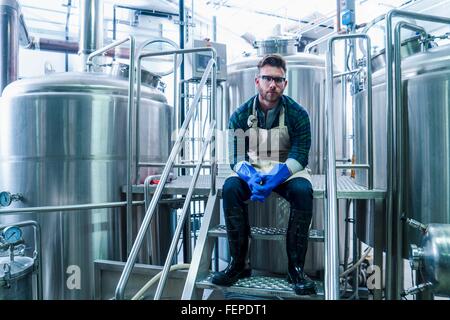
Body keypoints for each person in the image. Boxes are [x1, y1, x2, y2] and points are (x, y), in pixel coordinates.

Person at [211, 54, 316, 295]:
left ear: (285, 84)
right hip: (254, 169)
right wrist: (249, 177)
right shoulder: (240, 114)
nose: (273, 85)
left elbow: (300, 155)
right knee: (231, 189)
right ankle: (238, 265)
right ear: (257, 81)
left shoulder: (298, 114)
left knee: (302, 192)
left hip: (287, 171)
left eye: (278, 80)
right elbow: (236, 156)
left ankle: (296, 269)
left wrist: (274, 180)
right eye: (267, 78)